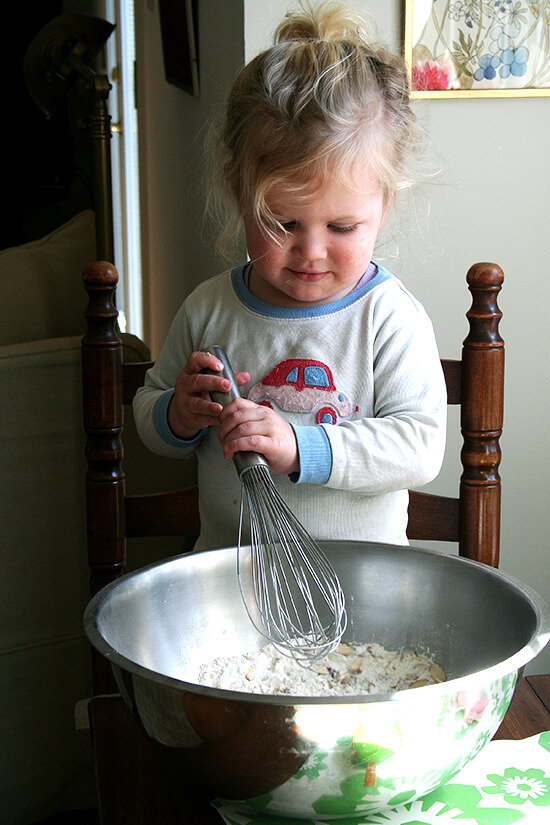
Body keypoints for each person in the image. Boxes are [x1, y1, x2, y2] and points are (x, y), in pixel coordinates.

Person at [133, 0, 447, 552]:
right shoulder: (208, 310)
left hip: (359, 592)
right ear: (238, 194)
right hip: (232, 584)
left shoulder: (388, 318)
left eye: (343, 226)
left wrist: (305, 446)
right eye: (283, 222)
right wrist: (175, 415)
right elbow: (149, 414)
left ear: (385, 205)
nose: (311, 252)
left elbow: (420, 447)